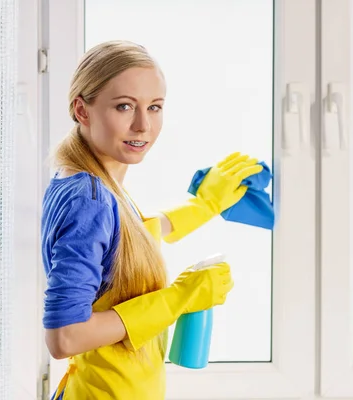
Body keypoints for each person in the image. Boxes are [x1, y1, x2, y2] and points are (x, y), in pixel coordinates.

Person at [41, 40, 263, 400]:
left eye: (155, 107)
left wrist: (205, 204)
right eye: (124, 106)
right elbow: (65, 336)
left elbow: (120, 241)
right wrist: (179, 298)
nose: (143, 125)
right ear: (82, 110)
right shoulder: (90, 199)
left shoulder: (88, 180)